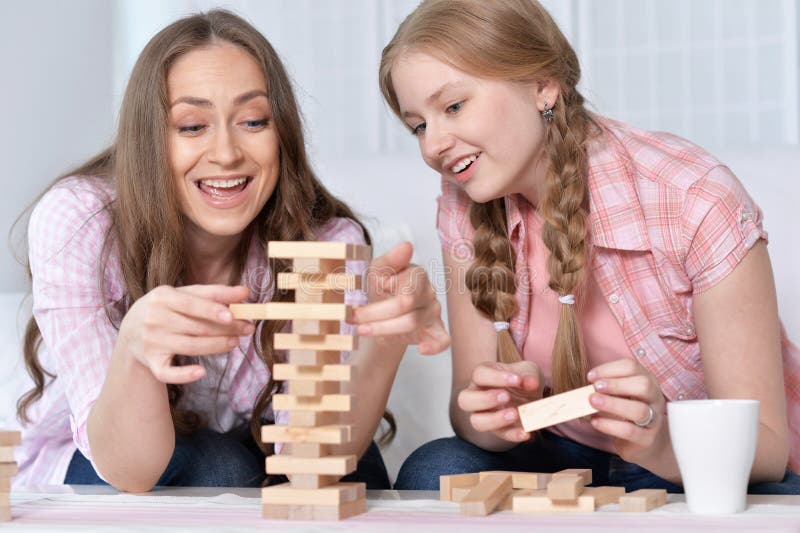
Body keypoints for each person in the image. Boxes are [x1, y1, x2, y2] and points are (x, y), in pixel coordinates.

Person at [13, 9, 449, 492]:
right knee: (219, 469)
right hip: (113, 453)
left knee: (356, 472)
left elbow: (313, 457)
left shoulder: (324, 243)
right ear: (149, 140)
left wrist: (384, 339)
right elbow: (130, 470)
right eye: (192, 126)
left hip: (267, 440)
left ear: (280, 132)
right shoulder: (78, 221)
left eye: (253, 121)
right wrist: (135, 351)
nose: (226, 153)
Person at [379, 0, 800, 493]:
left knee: (775, 502)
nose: (433, 147)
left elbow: (769, 450)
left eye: (453, 107)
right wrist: (494, 416)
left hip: (688, 463)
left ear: (542, 86)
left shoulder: (693, 198)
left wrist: (660, 444)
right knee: (434, 469)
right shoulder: (464, 200)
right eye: (419, 126)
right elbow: (468, 417)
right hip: (556, 456)